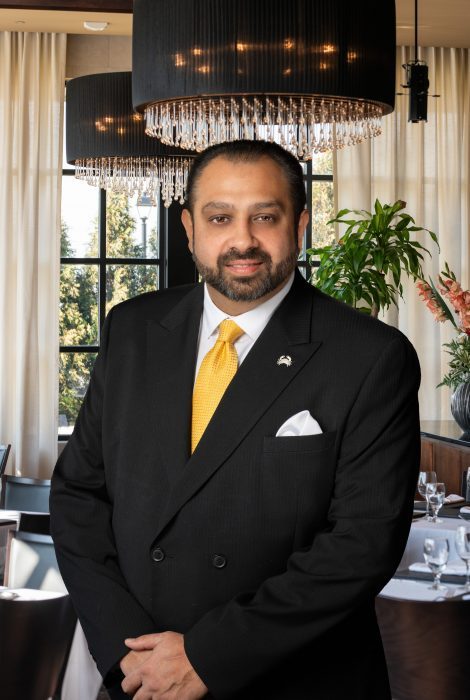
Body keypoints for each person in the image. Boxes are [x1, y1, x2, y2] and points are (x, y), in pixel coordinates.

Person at [50, 139, 421, 700]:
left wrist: (205, 657)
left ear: (299, 223)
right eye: (220, 217)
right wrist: (133, 656)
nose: (242, 239)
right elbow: (79, 496)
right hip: (142, 678)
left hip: (294, 681)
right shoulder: (131, 330)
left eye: (264, 217)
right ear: (189, 227)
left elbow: (361, 545)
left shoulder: (371, 355)